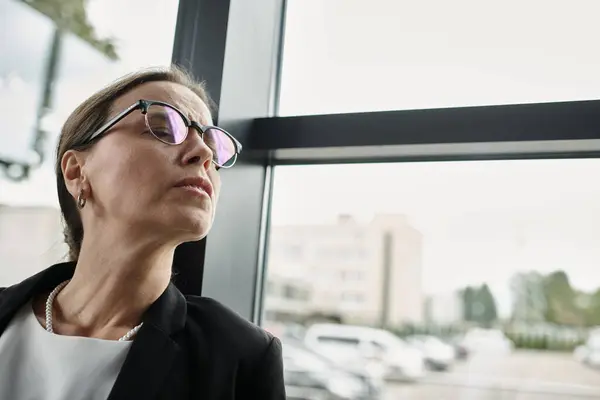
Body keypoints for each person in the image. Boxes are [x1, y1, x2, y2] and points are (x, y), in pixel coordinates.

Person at [0, 66, 286, 399]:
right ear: (77, 171)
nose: (204, 154)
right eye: (163, 128)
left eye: (212, 145)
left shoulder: (240, 357)